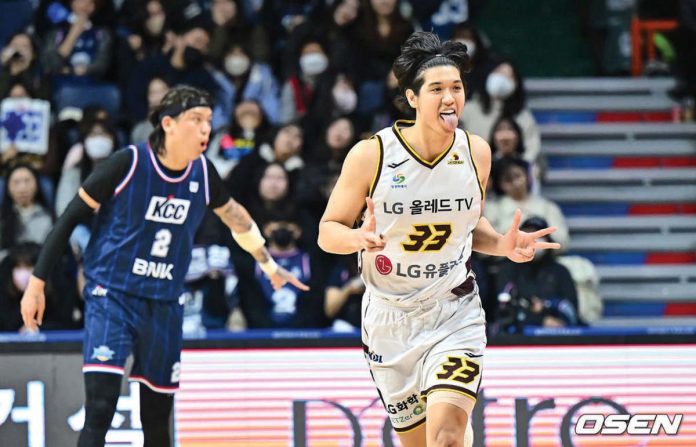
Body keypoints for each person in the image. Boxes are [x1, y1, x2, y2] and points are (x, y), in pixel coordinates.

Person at [19, 85, 308, 447]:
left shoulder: (203, 172)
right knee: (101, 406)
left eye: (209, 121)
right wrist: (36, 283)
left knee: (156, 418)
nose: (206, 129)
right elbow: (67, 220)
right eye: (196, 120)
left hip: (165, 303)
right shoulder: (127, 163)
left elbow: (237, 218)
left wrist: (266, 262)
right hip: (112, 295)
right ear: (168, 123)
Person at [318, 31, 560, 447]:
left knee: (446, 437)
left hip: (454, 310)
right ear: (412, 98)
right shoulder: (371, 155)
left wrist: (501, 243)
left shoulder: (475, 152)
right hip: (389, 319)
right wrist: (358, 237)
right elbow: (327, 232)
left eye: (457, 87)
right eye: (437, 89)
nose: (450, 98)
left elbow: (471, 227)